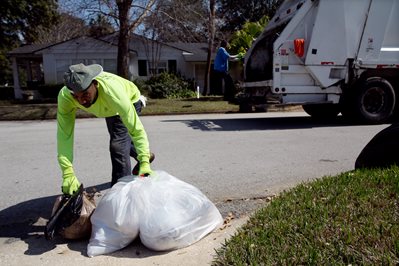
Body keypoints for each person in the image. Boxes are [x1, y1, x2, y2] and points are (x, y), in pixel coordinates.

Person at [58, 63, 154, 195]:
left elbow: (136, 129)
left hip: (130, 99)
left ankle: (120, 195)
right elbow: (64, 136)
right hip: (108, 108)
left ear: (95, 84)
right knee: (121, 141)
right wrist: (67, 172)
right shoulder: (65, 97)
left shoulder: (113, 93)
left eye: (85, 94)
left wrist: (144, 162)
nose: (81, 101)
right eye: (76, 96)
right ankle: (145, 154)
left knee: (118, 147)